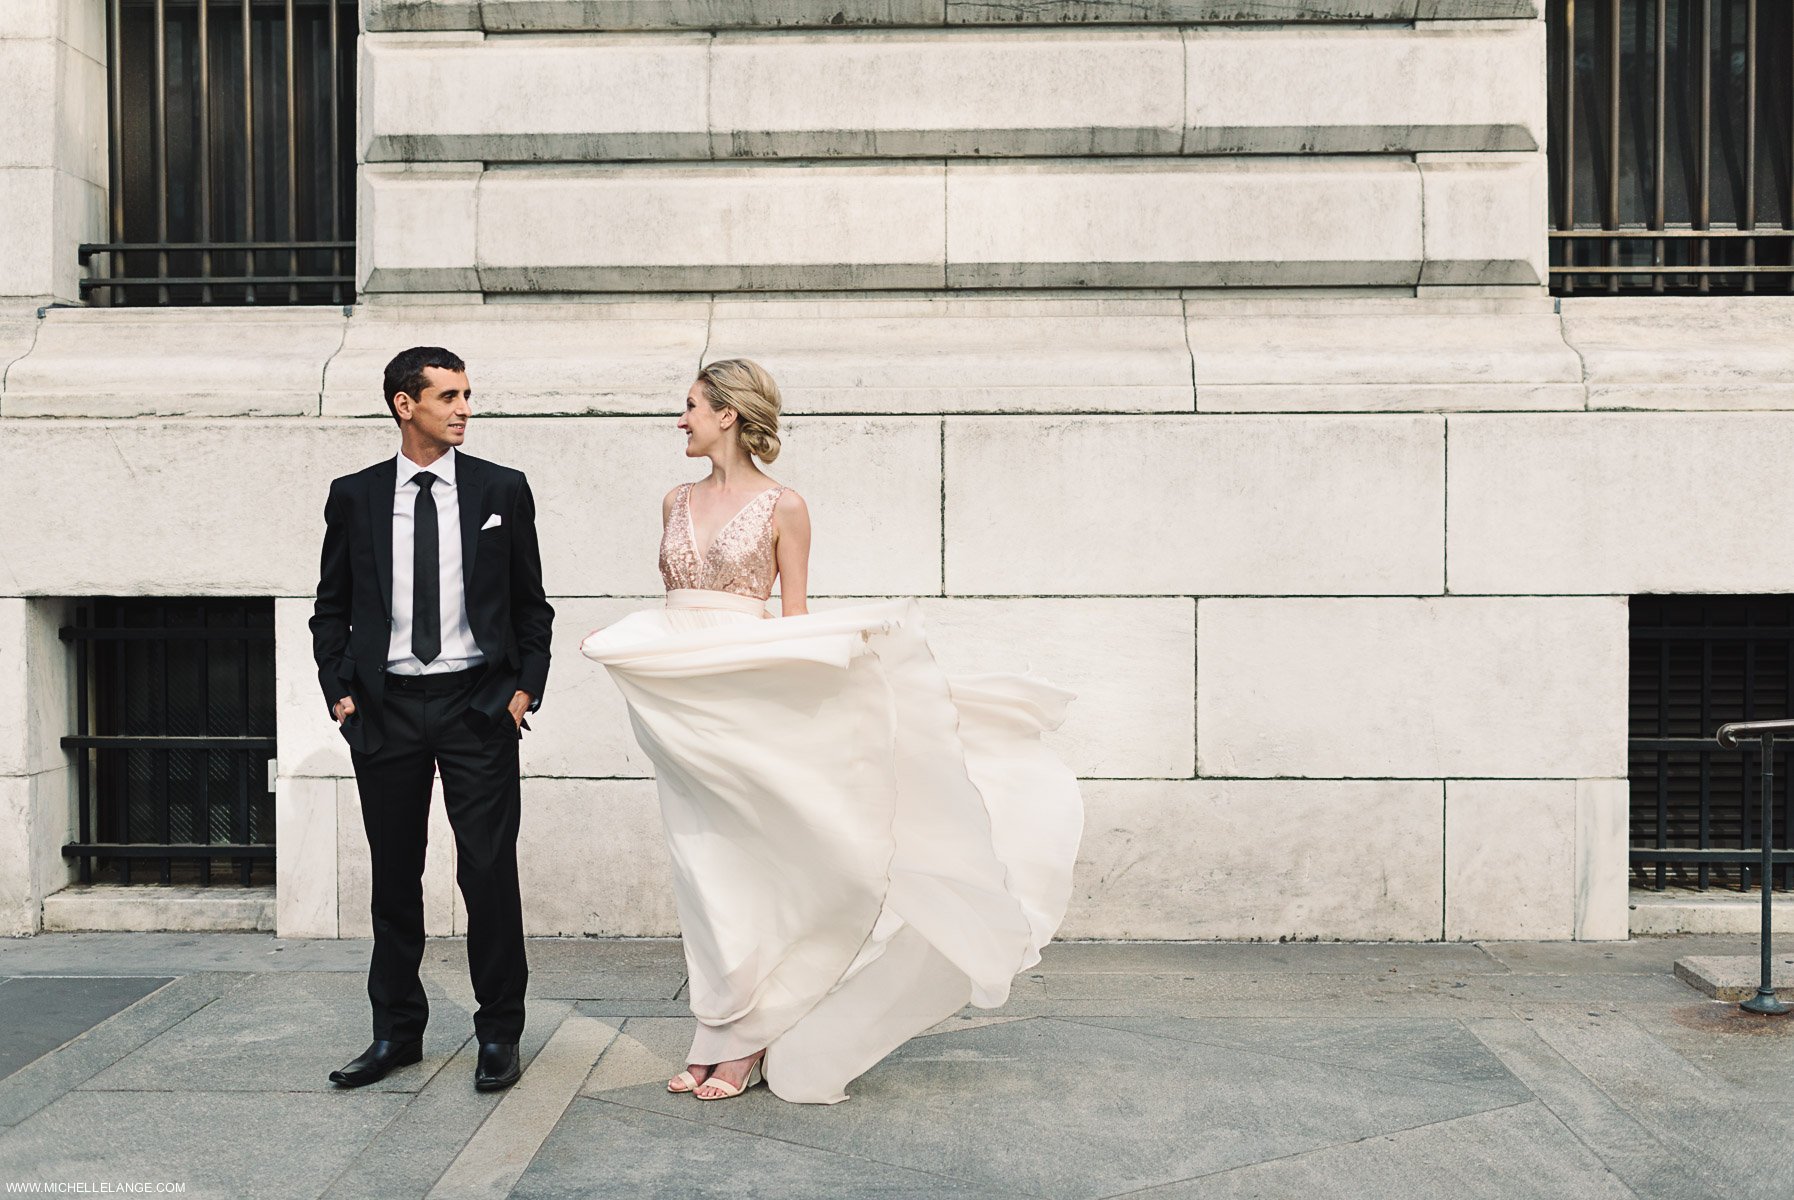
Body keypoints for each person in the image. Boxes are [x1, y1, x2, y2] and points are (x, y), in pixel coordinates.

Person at [581, 358, 1083, 1104]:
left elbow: (794, 616)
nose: (678, 420)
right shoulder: (673, 499)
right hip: (683, 712)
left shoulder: (786, 505)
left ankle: (741, 1042)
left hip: (748, 702)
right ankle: (717, 1034)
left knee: (751, 872)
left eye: (688, 406)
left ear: (727, 413)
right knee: (703, 870)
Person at [310, 346, 554, 1092]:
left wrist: (523, 690)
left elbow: (529, 605)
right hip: (384, 710)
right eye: (448, 396)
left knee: (486, 872)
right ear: (403, 404)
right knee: (394, 878)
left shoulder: (500, 489)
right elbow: (332, 608)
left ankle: (499, 1034)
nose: (464, 409)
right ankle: (396, 1034)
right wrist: (341, 692)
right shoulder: (354, 495)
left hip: (476, 706)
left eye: (468, 395)